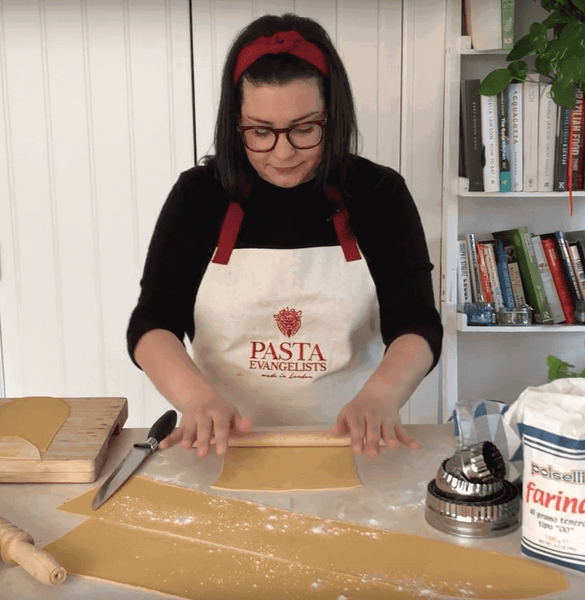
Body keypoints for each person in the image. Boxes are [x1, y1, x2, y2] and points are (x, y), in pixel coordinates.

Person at [127, 13, 443, 461]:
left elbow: (416, 323)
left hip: (355, 446)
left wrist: (381, 397)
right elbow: (153, 323)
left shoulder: (378, 193)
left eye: (304, 128)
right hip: (222, 447)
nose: (283, 152)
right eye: (260, 132)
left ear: (332, 117)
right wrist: (196, 400)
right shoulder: (199, 196)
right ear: (236, 124)